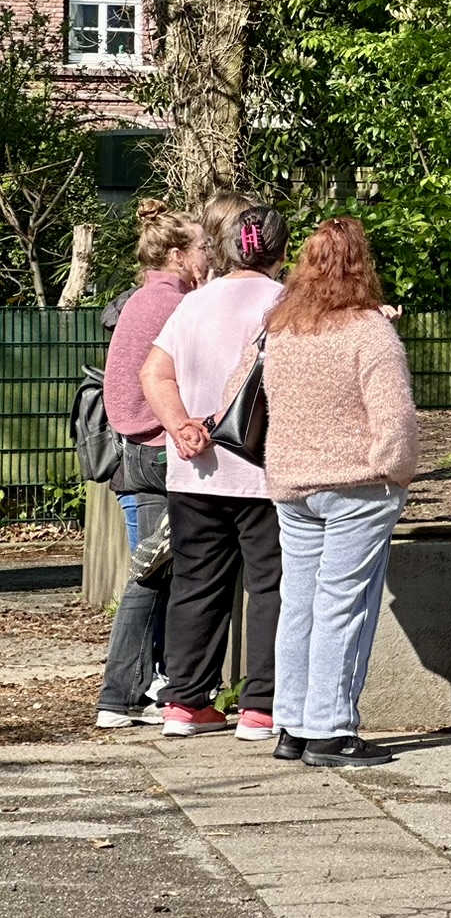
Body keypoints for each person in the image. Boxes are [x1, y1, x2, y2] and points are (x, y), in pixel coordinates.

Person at [225, 218, 420, 768]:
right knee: (344, 606)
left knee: (300, 604)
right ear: (363, 266)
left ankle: (291, 724)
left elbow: (234, 396)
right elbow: (395, 416)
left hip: (291, 483)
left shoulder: (277, 329)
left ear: (304, 265)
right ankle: (331, 731)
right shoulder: (369, 330)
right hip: (358, 483)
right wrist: (396, 471)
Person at [140, 204, 289, 740]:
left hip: (195, 472)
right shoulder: (288, 302)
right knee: (272, 587)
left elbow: (153, 371)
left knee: (196, 584)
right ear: (282, 250)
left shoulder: (194, 304)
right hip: (263, 471)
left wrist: (179, 426)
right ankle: (261, 706)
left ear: (227, 248)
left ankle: (185, 702)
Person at [94, 200, 208, 729]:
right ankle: (122, 695)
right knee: (150, 577)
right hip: (153, 452)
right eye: (203, 247)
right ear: (178, 254)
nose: (210, 255)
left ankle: (141, 687)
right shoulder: (170, 304)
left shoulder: (146, 299)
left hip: (136, 451)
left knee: (156, 575)